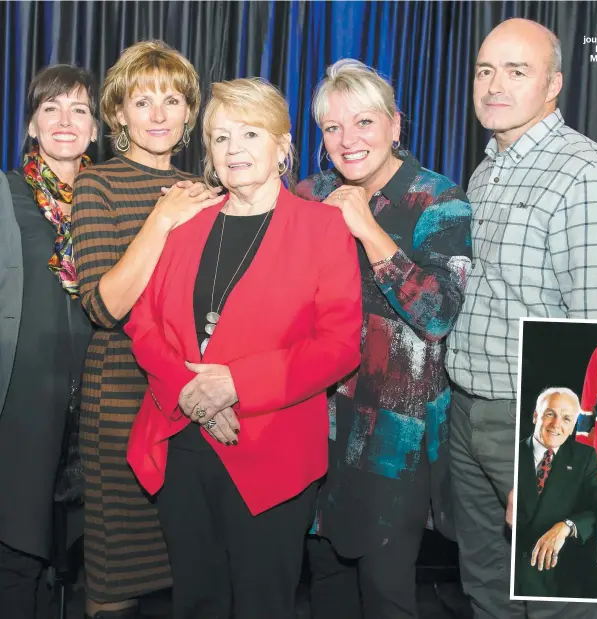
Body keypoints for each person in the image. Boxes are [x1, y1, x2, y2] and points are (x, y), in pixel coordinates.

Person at [123, 77, 363, 619]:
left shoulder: (323, 227)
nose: (234, 150)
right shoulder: (184, 222)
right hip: (183, 439)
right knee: (196, 601)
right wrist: (188, 390)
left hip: (272, 445)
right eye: (220, 137)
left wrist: (236, 384)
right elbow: (143, 322)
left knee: (263, 603)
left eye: (250, 134)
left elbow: (339, 345)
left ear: (282, 146)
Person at [446, 17, 597, 619]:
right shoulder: (486, 169)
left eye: (516, 71)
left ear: (553, 84)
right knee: (487, 589)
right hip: (467, 412)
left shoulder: (589, 174)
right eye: (485, 70)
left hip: (533, 422)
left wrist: (556, 471)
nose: (495, 85)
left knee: (557, 598)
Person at [295, 59, 472, 619]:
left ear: (396, 125)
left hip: (395, 437)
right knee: (325, 584)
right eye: (332, 128)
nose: (348, 141)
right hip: (315, 424)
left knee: (387, 592)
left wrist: (368, 229)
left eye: (364, 122)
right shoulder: (309, 192)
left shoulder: (438, 200)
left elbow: (439, 314)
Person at [71, 40, 222, 619]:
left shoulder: (208, 191)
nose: (158, 114)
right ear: (118, 114)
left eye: (172, 99)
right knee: (117, 579)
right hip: (121, 398)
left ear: (189, 113)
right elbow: (105, 306)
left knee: (196, 570)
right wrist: (161, 219)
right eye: (142, 101)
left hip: (194, 396)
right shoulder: (97, 186)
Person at [0, 64, 97, 619]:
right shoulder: (8, 193)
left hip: (95, 406)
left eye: (79, 109)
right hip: (22, 398)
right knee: (17, 550)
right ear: (32, 124)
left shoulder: (108, 197)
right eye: (51, 108)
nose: (66, 120)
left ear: (94, 127)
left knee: (78, 562)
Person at [514, 388, 597, 598]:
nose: (557, 424)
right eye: (550, 414)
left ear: (573, 426)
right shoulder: (511, 452)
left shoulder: (584, 458)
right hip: (512, 571)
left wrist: (567, 526)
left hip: (559, 577)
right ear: (536, 416)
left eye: (566, 418)